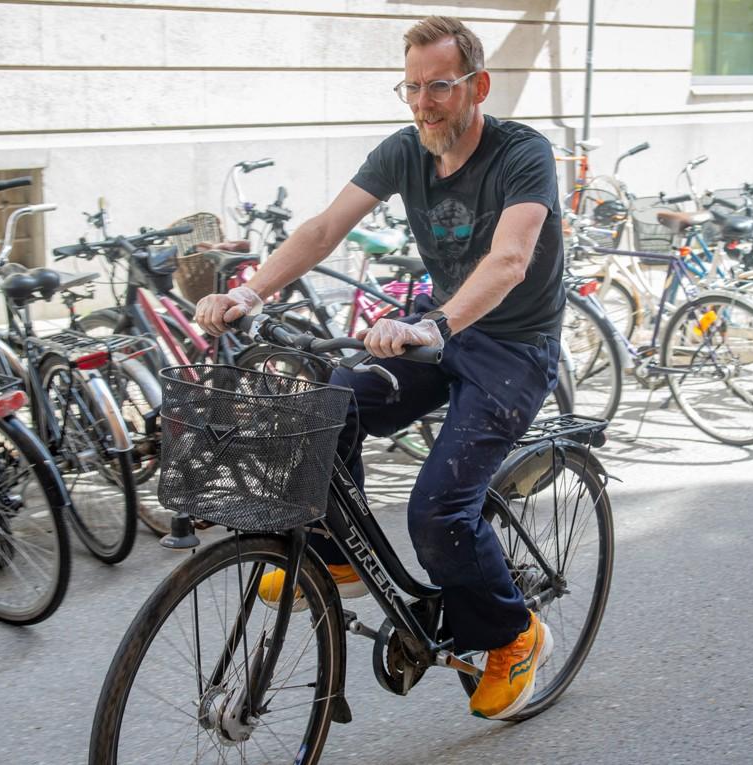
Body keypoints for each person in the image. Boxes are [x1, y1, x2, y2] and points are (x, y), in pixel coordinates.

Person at [194, 15, 565, 721]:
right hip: (441, 328)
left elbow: (511, 259)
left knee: (438, 511)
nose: (424, 103)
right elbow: (322, 229)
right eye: (413, 88)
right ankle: (336, 555)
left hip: (512, 347)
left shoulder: (523, 154)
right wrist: (248, 291)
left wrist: (435, 322)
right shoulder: (405, 152)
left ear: (477, 86)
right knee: (330, 402)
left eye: (442, 87)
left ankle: (514, 633)